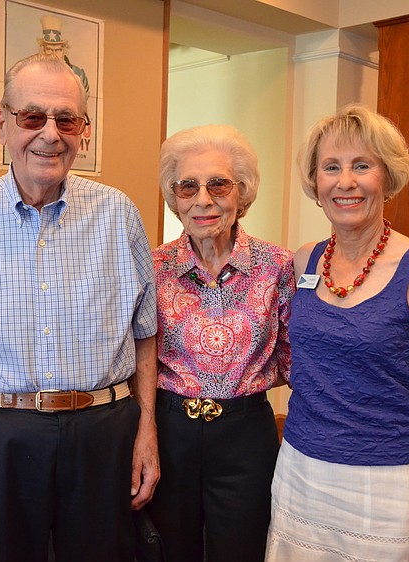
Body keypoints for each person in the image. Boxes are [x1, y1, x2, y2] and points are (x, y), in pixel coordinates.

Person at [0, 53, 158, 562]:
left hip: (104, 432)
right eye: (32, 117)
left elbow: (145, 332)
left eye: (66, 119)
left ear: (83, 130)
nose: (50, 134)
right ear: (2, 122)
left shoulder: (118, 213)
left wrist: (147, 433)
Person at [266, 104, 409, 561]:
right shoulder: (304, 261)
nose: (346, 181)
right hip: (300, 474)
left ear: (387, 177)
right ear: (316, 183)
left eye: (362, 165)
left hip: (386, 488)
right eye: (331, 167)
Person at [146, 124, 293, 562]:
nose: (203, 199)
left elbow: (294, 358)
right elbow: (139, 358)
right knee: (170, 549)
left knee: (242, 549)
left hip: (246, 433)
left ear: (242, 192)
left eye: (218, 184)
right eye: (187, 186)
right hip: (170, 430)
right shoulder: (153, 266)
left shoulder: (276, 266)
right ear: (174, 198)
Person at [37, 15, 90, 98]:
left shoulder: (78, 74)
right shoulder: (34, 73)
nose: (53, 54)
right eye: (49, 49)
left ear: (64, 51)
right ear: (42, 50)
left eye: (58, 50)